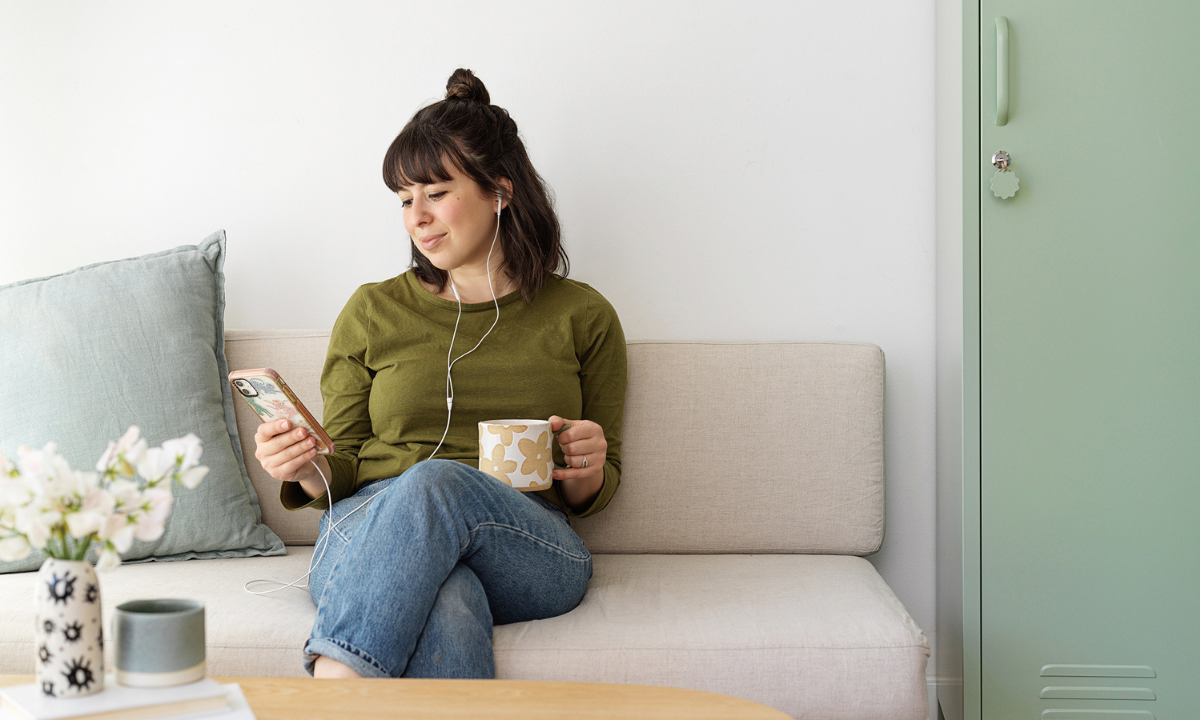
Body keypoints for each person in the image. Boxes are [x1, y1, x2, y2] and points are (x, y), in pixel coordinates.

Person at [251, 68, 627, 679]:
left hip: (525, 540)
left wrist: (585, 467)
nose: (416, 218)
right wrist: (304, 465)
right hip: (367, 525)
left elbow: (599, 486)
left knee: (435, 482)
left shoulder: (584, 315)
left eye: (436, 192)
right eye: (404, 200)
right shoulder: (374, 310)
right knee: (448, 595)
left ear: (500, 191)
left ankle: (332, 693)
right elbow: (342, 462)